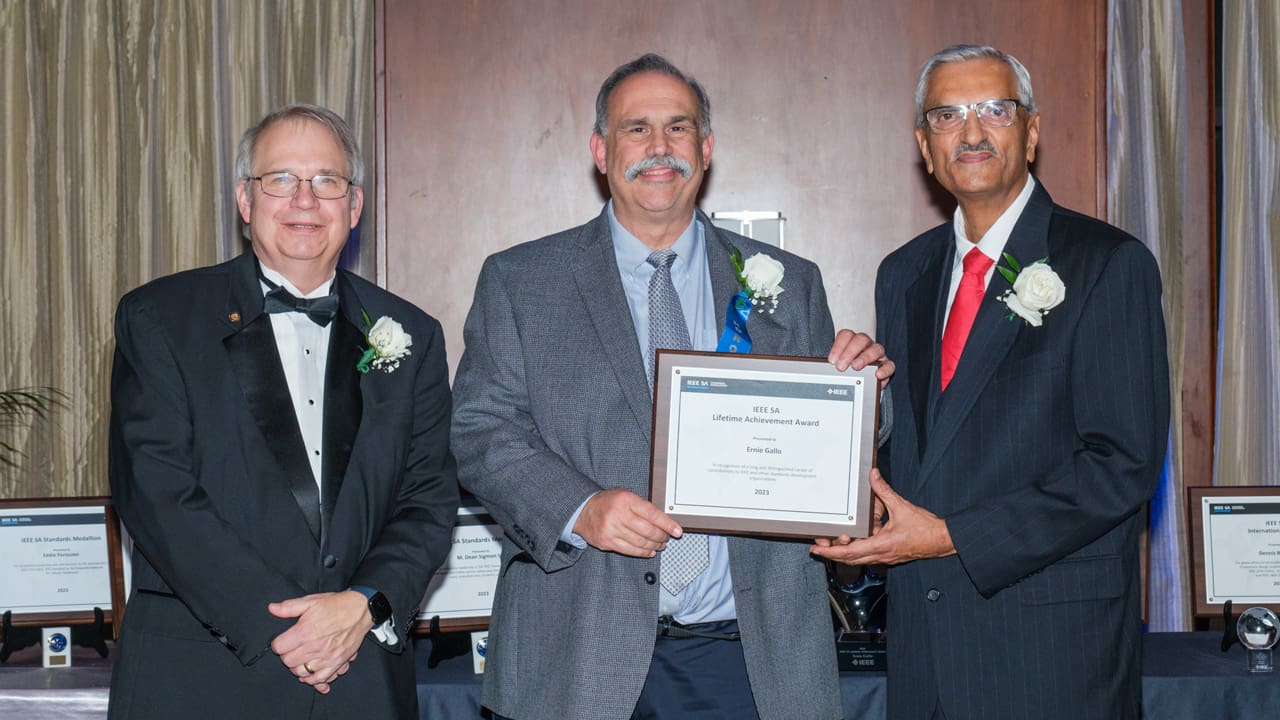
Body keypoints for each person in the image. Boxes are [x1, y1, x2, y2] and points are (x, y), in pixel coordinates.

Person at [451, 54, 890, 720]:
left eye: (678, 128)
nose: (659, 148)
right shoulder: (522, 282)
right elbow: (480, 430)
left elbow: (832, 448)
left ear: (705, 150)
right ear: (600, 151)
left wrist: (867, 400)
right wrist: (582, 509)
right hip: (578, 656)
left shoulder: (787, 285)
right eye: (636, 129)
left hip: (753, 659)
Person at [811, 45, 1170, 719]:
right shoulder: (904, 274)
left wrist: (952, 537)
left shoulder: (1107, 264)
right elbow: (931, 452)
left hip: (1051, 657)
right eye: (947, 115)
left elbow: (1122, 465)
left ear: (1031, 133)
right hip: (925, 654)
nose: (971, 132)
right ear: (925, 145)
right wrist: (860, 435)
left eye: (994, 110)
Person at [107, 104, 459, 719]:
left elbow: (428, 500)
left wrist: (362, 604)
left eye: (327, 182)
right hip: (202, 678)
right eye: (281, 180)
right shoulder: (160, 318)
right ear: (246, 200)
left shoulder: (413, 334)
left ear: (354, 207)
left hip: (361, 677)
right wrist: (289, 628)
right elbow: (156, 493)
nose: (305, 200)